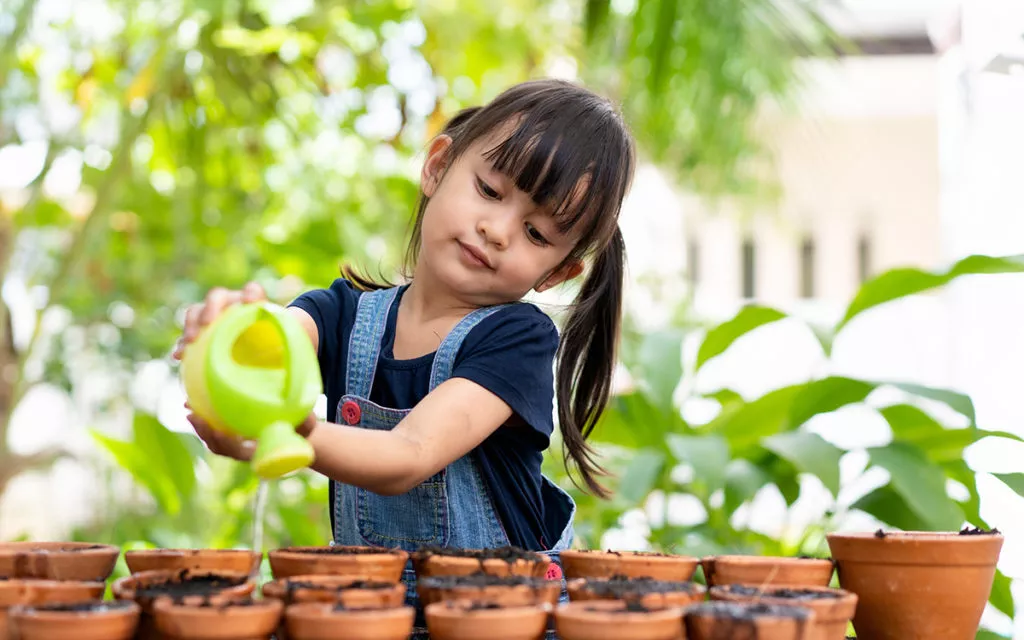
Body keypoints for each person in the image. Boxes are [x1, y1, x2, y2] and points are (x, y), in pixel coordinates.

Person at [175, 78, 635, 610]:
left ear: (557, 271)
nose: (497, 230)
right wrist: (230, 329)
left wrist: (289, 433)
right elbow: (280, 337)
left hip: (497, 618)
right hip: (377, 612)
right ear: (438, 166)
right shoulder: (342, 314)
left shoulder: (516, 341)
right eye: (489, 191)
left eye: (536, 234)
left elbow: (408, 454)